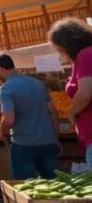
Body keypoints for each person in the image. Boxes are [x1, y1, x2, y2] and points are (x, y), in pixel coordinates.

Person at [0, 53, 60, 179]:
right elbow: (53, 112)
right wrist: (56, 138)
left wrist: (2, 131)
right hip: (47, 142)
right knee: (55, 188)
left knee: (25, 189)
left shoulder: (6, 89)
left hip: (24, 145)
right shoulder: (37, 83)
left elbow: (9, 119)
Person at [48, 17, 92, 165]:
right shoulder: (82, 58)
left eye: (58, 47)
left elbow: (85, 93)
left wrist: (71, 112)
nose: (59, 51)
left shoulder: (86, 55)